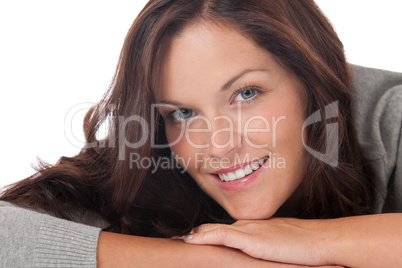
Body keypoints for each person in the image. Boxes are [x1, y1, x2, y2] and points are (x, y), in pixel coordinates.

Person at [1, 0, 401, 267]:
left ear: (312, 80)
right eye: (183, 113)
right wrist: (215, 260)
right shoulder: (152, 157)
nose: (219, 145)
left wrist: (314, 241)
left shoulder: (389, 112)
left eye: (246, 94)